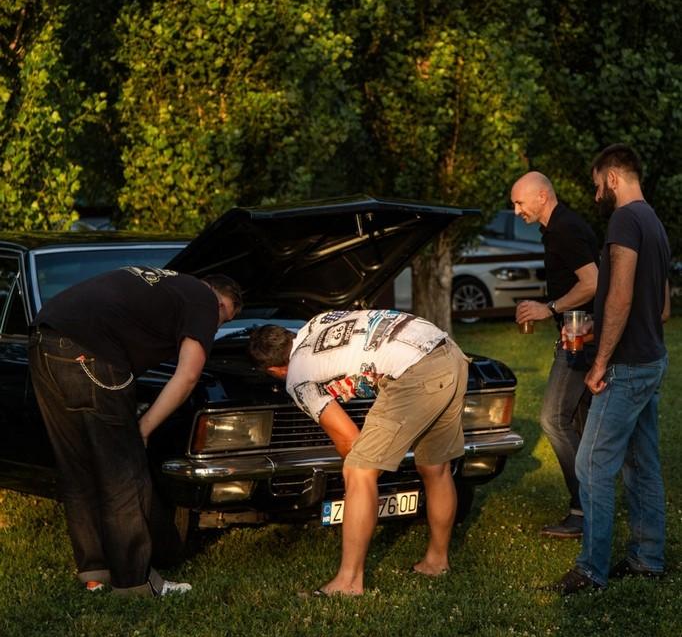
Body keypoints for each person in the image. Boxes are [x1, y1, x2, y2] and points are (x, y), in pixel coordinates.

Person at [29, 266, 242, 597]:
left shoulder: (166, 286)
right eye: (223, 317)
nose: (215, 326)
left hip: (44, 342)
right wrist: (143, 427)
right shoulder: (203, 299)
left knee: (77, 465)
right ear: (217, 301)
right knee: (124, 474)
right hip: (93, 352)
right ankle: (133, 582)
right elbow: (187, 376)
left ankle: (95, 573)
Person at [249, 309, 469, 596]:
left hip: (415, 372)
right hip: (449, 353)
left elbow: (348, 438)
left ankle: (348, 583)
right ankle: (436, 562)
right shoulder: (317, 322)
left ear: (274, 370)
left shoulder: (297, 378)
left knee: (358, 470)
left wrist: (358, 482)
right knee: (435, 467)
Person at [554, 145, 671, 594]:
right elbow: (662, 307)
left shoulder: (623, 220)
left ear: (614, 177)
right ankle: (647, 558)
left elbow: (620, 293)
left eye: (597, 183)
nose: (596, 193)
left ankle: (591, 570)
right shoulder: (653, 221)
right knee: (642, 463)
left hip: (625, 365)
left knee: (592, 464)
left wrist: (600, 361)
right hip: (651, 358)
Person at [511, 171, 599, 537]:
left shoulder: (565, 228)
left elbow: (593, 282)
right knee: (578, 423)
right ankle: (591, 508)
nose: (516, 211)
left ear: (542, 196)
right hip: (579, 333)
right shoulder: (556, 229)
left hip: (581, 336)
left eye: (519, 203)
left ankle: (584, 507)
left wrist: (549, 307)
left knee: (553, 419)